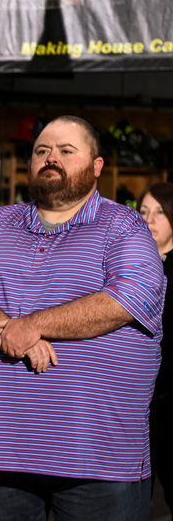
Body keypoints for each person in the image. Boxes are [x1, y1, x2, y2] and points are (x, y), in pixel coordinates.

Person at [0, 115, 165, 520]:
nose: (52, 158)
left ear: (96, 167)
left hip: (98, 463)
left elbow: (126, 299)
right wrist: (8, 332)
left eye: (67, 151)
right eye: (42, 151)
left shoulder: (125, 227)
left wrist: (31, 325)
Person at [138, 182, 173, 512]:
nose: (150, 219)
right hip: (137, 405)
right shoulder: (130, 269)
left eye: (160, 212)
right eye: (144, 211)